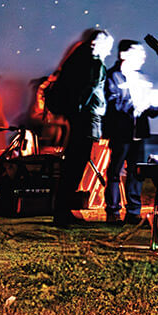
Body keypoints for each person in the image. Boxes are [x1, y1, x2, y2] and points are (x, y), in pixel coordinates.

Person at [104, 40, 158, 224]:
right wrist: (136, 106)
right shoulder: (113, 77)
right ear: (123, 55)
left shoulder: (141, 77)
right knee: (115, 172)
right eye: (139, 53)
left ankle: (133, 212)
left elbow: (150, 111)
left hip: (139, 133)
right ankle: (113, 211)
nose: (143, 57)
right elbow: (112, 104)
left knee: (137, 172)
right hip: (121, 132)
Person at [51, 28, 114, 227]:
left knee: (72, 166)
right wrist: (81, 115)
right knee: (75, 166)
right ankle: (63, 213)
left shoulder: (78, 60)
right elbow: (86, 92)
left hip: (79, 119)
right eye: (109, 47)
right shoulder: (95, 65)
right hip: (86, 120)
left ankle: (63, 210)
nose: (110, 52)